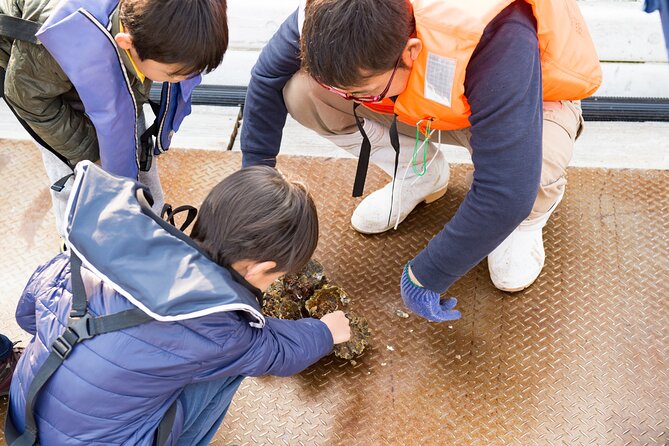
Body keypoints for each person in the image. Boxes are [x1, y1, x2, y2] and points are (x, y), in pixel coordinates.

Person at [240, 0, 601, 320]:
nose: (349, 99)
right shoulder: (327, 13)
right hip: (425, 102)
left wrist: (426, 275)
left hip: (524, 102)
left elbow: (506, 190)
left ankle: (528, 220)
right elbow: (268, 75)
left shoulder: (500, 34)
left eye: (360, 91)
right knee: (303, 92)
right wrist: (256, 184)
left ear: (411, 51)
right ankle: (419, 173)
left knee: (529, 174)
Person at [5, 162, 351, 445]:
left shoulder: (99, 245)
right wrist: (324, 331)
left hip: (25, 419)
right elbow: (278, 352)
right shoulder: (224, 330)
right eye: (275, 277)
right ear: (260, 268)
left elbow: (26, 314)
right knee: (231, 367)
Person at [0, 0, 228, 234]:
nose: (182, 80)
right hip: (42, 85)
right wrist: (89, 155)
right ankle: (77, 245)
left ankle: (153, 230)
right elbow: (28, 99)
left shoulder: (150, 28)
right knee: (78, 182)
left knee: (132, 154)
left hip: (109, 58)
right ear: (127, 43)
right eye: (173, 74)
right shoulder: (61, 35)